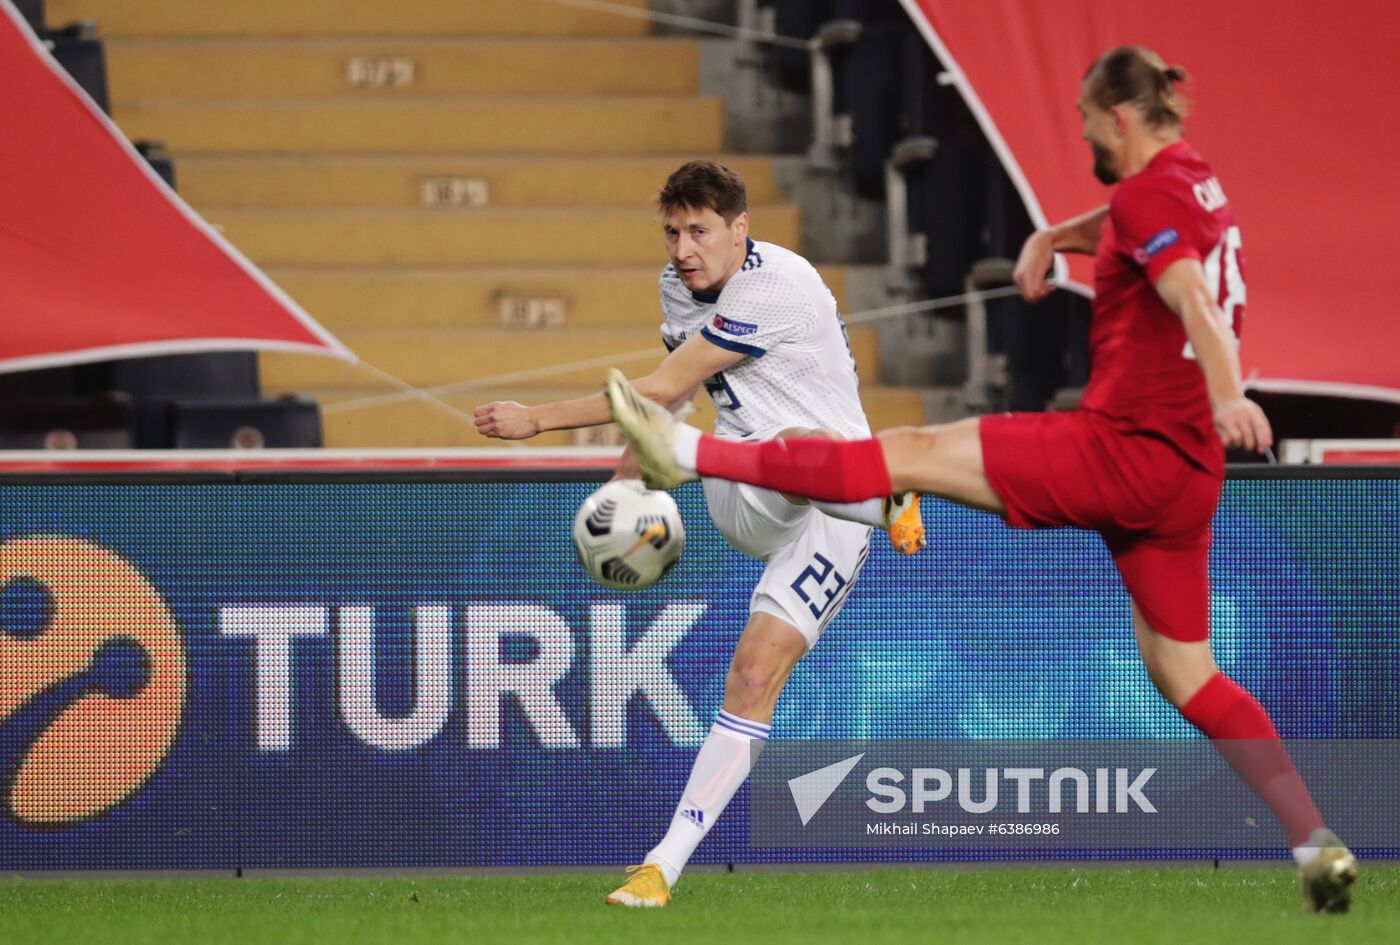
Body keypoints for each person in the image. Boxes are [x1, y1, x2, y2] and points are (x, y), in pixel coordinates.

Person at [605, 50, 1358, 913]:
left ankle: (690, 457)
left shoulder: (1149, 199)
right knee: (1189, 675)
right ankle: (1314, 837)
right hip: (1189, 477)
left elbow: (1184, 288)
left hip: (1118, 451)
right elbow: (1139, 224)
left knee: (907, 450)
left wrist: (1231, 388)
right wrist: (1054, 237)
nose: (1079, 130)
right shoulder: (1193, 182)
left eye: (1084, 116)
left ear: (1118, 116)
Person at [474, 160, 924, 907]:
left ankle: (661, 867)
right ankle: (889, 503)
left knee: (752, 677)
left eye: (700, 230)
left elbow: (651, 388)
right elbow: (672, 401)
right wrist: (624, 482)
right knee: (780, 450)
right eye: (673, 231)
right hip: (741, 486)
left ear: (740, 230)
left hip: (832, 516)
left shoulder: (779, 285)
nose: (684, 248)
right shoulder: (676, 288)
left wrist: (535, 418)